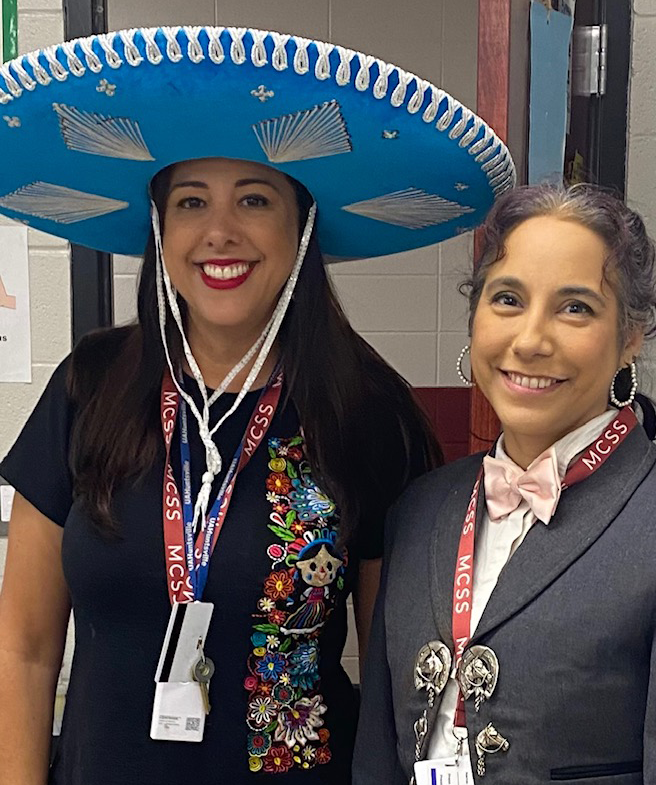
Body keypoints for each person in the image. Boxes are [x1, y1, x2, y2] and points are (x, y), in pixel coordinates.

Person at [0, 26, 515, 785]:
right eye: (190, 201)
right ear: (160, 228)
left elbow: (393, 673)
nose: (219, 231)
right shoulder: (90, 386)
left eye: (253, 198)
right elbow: (26, 642)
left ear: (300, 225)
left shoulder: (366, 409)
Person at [353, 184, 656, 785]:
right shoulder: (421, 510)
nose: (530, 341)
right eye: (507, 299)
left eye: (575, 308)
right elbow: (377, 754)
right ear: (475, 315)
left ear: (631, 335)